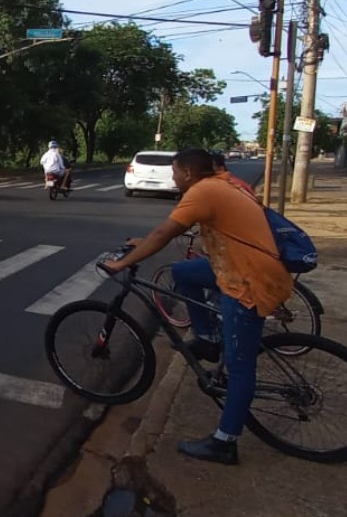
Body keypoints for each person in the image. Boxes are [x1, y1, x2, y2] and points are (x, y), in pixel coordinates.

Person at [101, 148, 292, 465]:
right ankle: (208, 339)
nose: (172, 176)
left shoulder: (203, 191)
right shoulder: (222, 183)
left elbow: (165, 232)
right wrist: (144, 241)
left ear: (188, 172)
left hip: (247, 279)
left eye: (174, 171)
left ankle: (225, 442)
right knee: (182, 273)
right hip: (232, 266)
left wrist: (123, 263)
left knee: (240, 367)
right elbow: (173, 228)